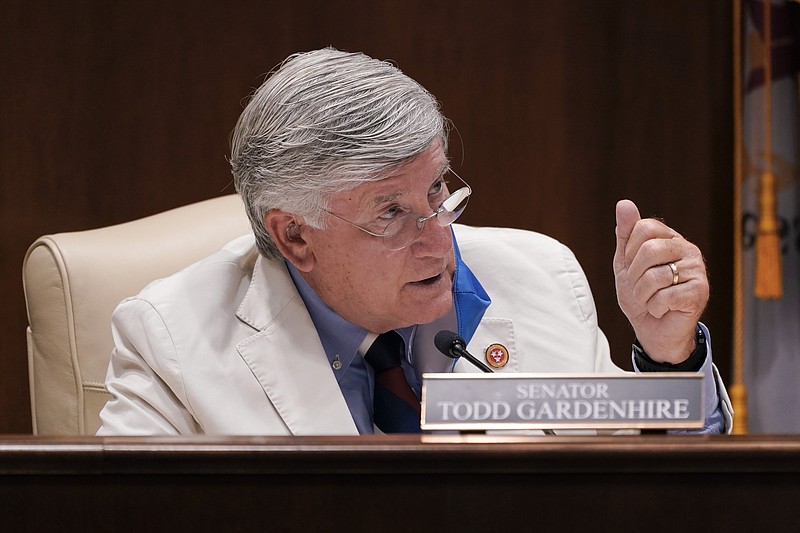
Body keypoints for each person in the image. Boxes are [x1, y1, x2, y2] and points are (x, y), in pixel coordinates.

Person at [97, 48, 732, 435]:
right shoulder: (171, 339)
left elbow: (651, 488)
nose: (438, 243)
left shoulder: (539, 275)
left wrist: (666, 356)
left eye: (436, 194)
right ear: (295, 235)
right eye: (392, 214)